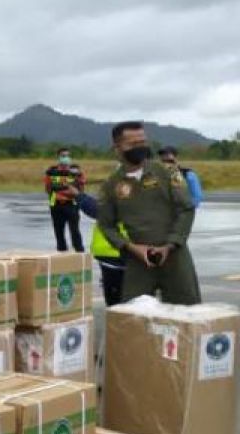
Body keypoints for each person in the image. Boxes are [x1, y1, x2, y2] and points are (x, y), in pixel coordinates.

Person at [97, 121, 200, 305]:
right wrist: (131, 248)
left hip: (175, 255)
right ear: (117, 148)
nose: (140, 147)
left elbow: (186, 208)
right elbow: (106, 224)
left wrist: (170, 245)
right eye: (133, 144)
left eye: (143, 142)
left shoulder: (167, 172)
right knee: (133, 317)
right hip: (138, 259)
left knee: (188, 315)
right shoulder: (110, 185)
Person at [78, 192, 127, 307]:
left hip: (116, 256)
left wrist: (79, 196)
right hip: (119, 256)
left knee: (117, 302)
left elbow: (97, 210)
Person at [45, 147, 86, 252]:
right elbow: (48, 189)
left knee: (75, 231)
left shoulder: (77, 172)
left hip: (72, 204)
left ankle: (79, 252)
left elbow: (81, 189)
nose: (66, 158)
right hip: (55, 204)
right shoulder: (51, 171)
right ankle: (61, 253)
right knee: (58, 231)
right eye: (63, 156)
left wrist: (65, 192)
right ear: (58, 157)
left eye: (67, 156)